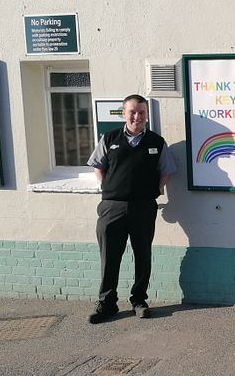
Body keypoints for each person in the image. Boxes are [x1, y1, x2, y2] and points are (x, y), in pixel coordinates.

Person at [86, 94, 176, 323]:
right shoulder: (109, 138)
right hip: (112, 207)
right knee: (109, 256)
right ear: (124, 113)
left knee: (142, 254)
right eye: (132, 112)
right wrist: (106, 186)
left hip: (144, 207)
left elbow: (166, 170)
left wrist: (156, 189)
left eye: (142, 112)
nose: (137, 116)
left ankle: (139, 300)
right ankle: (107, 303)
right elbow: (98, 165)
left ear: (147, 115)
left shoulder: (156, 141)